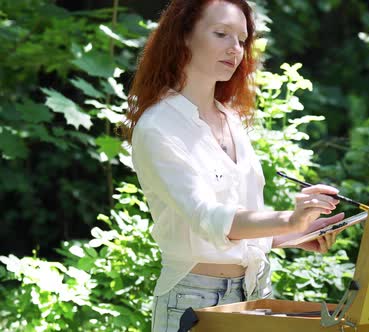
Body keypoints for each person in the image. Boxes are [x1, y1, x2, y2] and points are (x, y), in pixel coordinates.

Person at [123, 0, 346, 331]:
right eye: (221, 34)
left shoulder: (230, 119)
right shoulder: (158, 127)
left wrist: (292, 233)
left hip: (255, 293)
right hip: (194, 302)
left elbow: (237, 223)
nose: (235, 49)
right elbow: (210, 219)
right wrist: (289, 218)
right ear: (183, 36)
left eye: (241, 39)